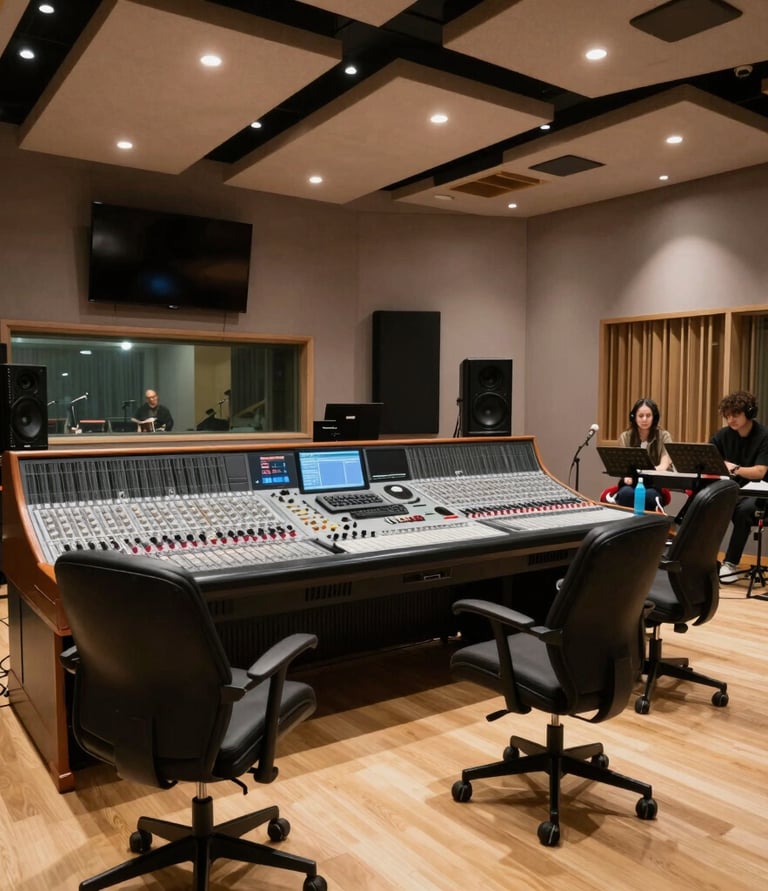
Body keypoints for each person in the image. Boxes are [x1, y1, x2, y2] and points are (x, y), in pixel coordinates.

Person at [710, 390, 768, 583]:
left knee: (744, 510)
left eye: (735, 414)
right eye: (727, 416)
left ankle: (731, 563)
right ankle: (702, 560)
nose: (730, 419)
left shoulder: (764, 436)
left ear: (749, 413)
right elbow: (710, 459)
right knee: (705, 503)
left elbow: (760, 472)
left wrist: (733, 468)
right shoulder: (723, 436)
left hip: (760, 493)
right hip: (732, 490)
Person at [613, 397, 673, 510]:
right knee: (626, 494)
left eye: (648, 416)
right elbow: (623, 467)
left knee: (650, 497)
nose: (644, 419)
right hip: (631, 481)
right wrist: (626, 476)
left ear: (654, 417)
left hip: (654, 483)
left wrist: (645, 472)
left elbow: (663, 466)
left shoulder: (664, 436)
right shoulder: (625, 437)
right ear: (634, 417)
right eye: (640, 416)